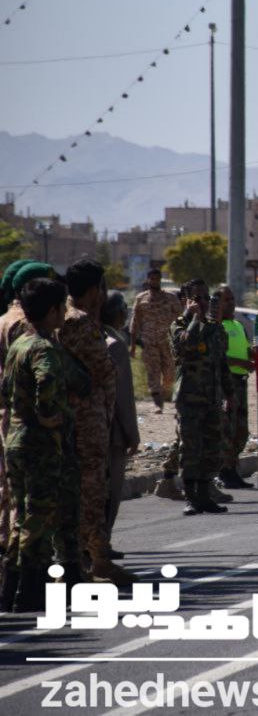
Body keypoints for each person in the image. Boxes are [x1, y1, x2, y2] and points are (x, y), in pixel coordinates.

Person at [0, 279, 81, 612]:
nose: (65, 313)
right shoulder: (44, 349)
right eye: (62, 307)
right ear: (51, 311)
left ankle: (11, 588)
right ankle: (31, 590)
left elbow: (6, 389)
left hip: (16, 439)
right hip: (40, 445)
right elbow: (46, 380)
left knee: (23, 517)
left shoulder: (20, 344)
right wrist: (49, 416)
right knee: (40, 517)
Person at [60, 259, 133, 586]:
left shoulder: (61, 317)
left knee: (82, 494)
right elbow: (104, 371)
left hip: (75, 422)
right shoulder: (79, 322)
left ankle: (87, 561)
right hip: (87, 424)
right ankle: (92, 563)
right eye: (101, 288)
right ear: (93, 291)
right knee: (91, 495)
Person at [0, 261, 56, 555]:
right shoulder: (26, 326)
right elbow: (41, 376)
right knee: (29, 500)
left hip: (9, 411)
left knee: (10, 488)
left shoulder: (4, 319)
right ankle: (23, 560)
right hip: (27, 417)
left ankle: (9, 549)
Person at [172, 279, 235, 516]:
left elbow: (222, 362)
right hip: (189, 398)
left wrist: (230, 393)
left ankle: (205, 494)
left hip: (212, 397)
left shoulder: (215, 328)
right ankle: (190, 497)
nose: (204, 303)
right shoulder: (179, 325)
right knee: (190, 449)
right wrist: (194, 319)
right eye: (197, 298)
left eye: (207, 298)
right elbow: (184, 347)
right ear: (186, 301)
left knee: (212, 448)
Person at [100, 291, 139, 558]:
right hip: (110, 431)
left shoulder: (86, 337)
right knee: (110, 491)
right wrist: (132, 434)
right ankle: (101, 543)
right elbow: (124, 396)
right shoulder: (114, 344)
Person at [215, 286, 253, 491]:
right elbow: (220, 357)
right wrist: (241, 362)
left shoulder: (238, 325)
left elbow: (245, 350)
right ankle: (224, 471)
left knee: (241, 430)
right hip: (226, 383)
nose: (230, 303)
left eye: (232, 299)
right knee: (227, 429)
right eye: (226, 300)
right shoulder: (217, 327)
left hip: (241, 382)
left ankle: (232, 467)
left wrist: (254, 354)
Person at [130, 268, 182, 413]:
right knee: (153, 372)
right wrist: (133, 345)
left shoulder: (170, 298)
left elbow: (180, 317)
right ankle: (158, 403)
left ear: (160, 280)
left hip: (167, 342)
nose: (154, 281)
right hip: (149, 342)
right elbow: (135, 322)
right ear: (148, 280)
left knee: (170, 373)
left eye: (157, 279)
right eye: (152, 279)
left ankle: (165, 395)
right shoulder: (141, 298)